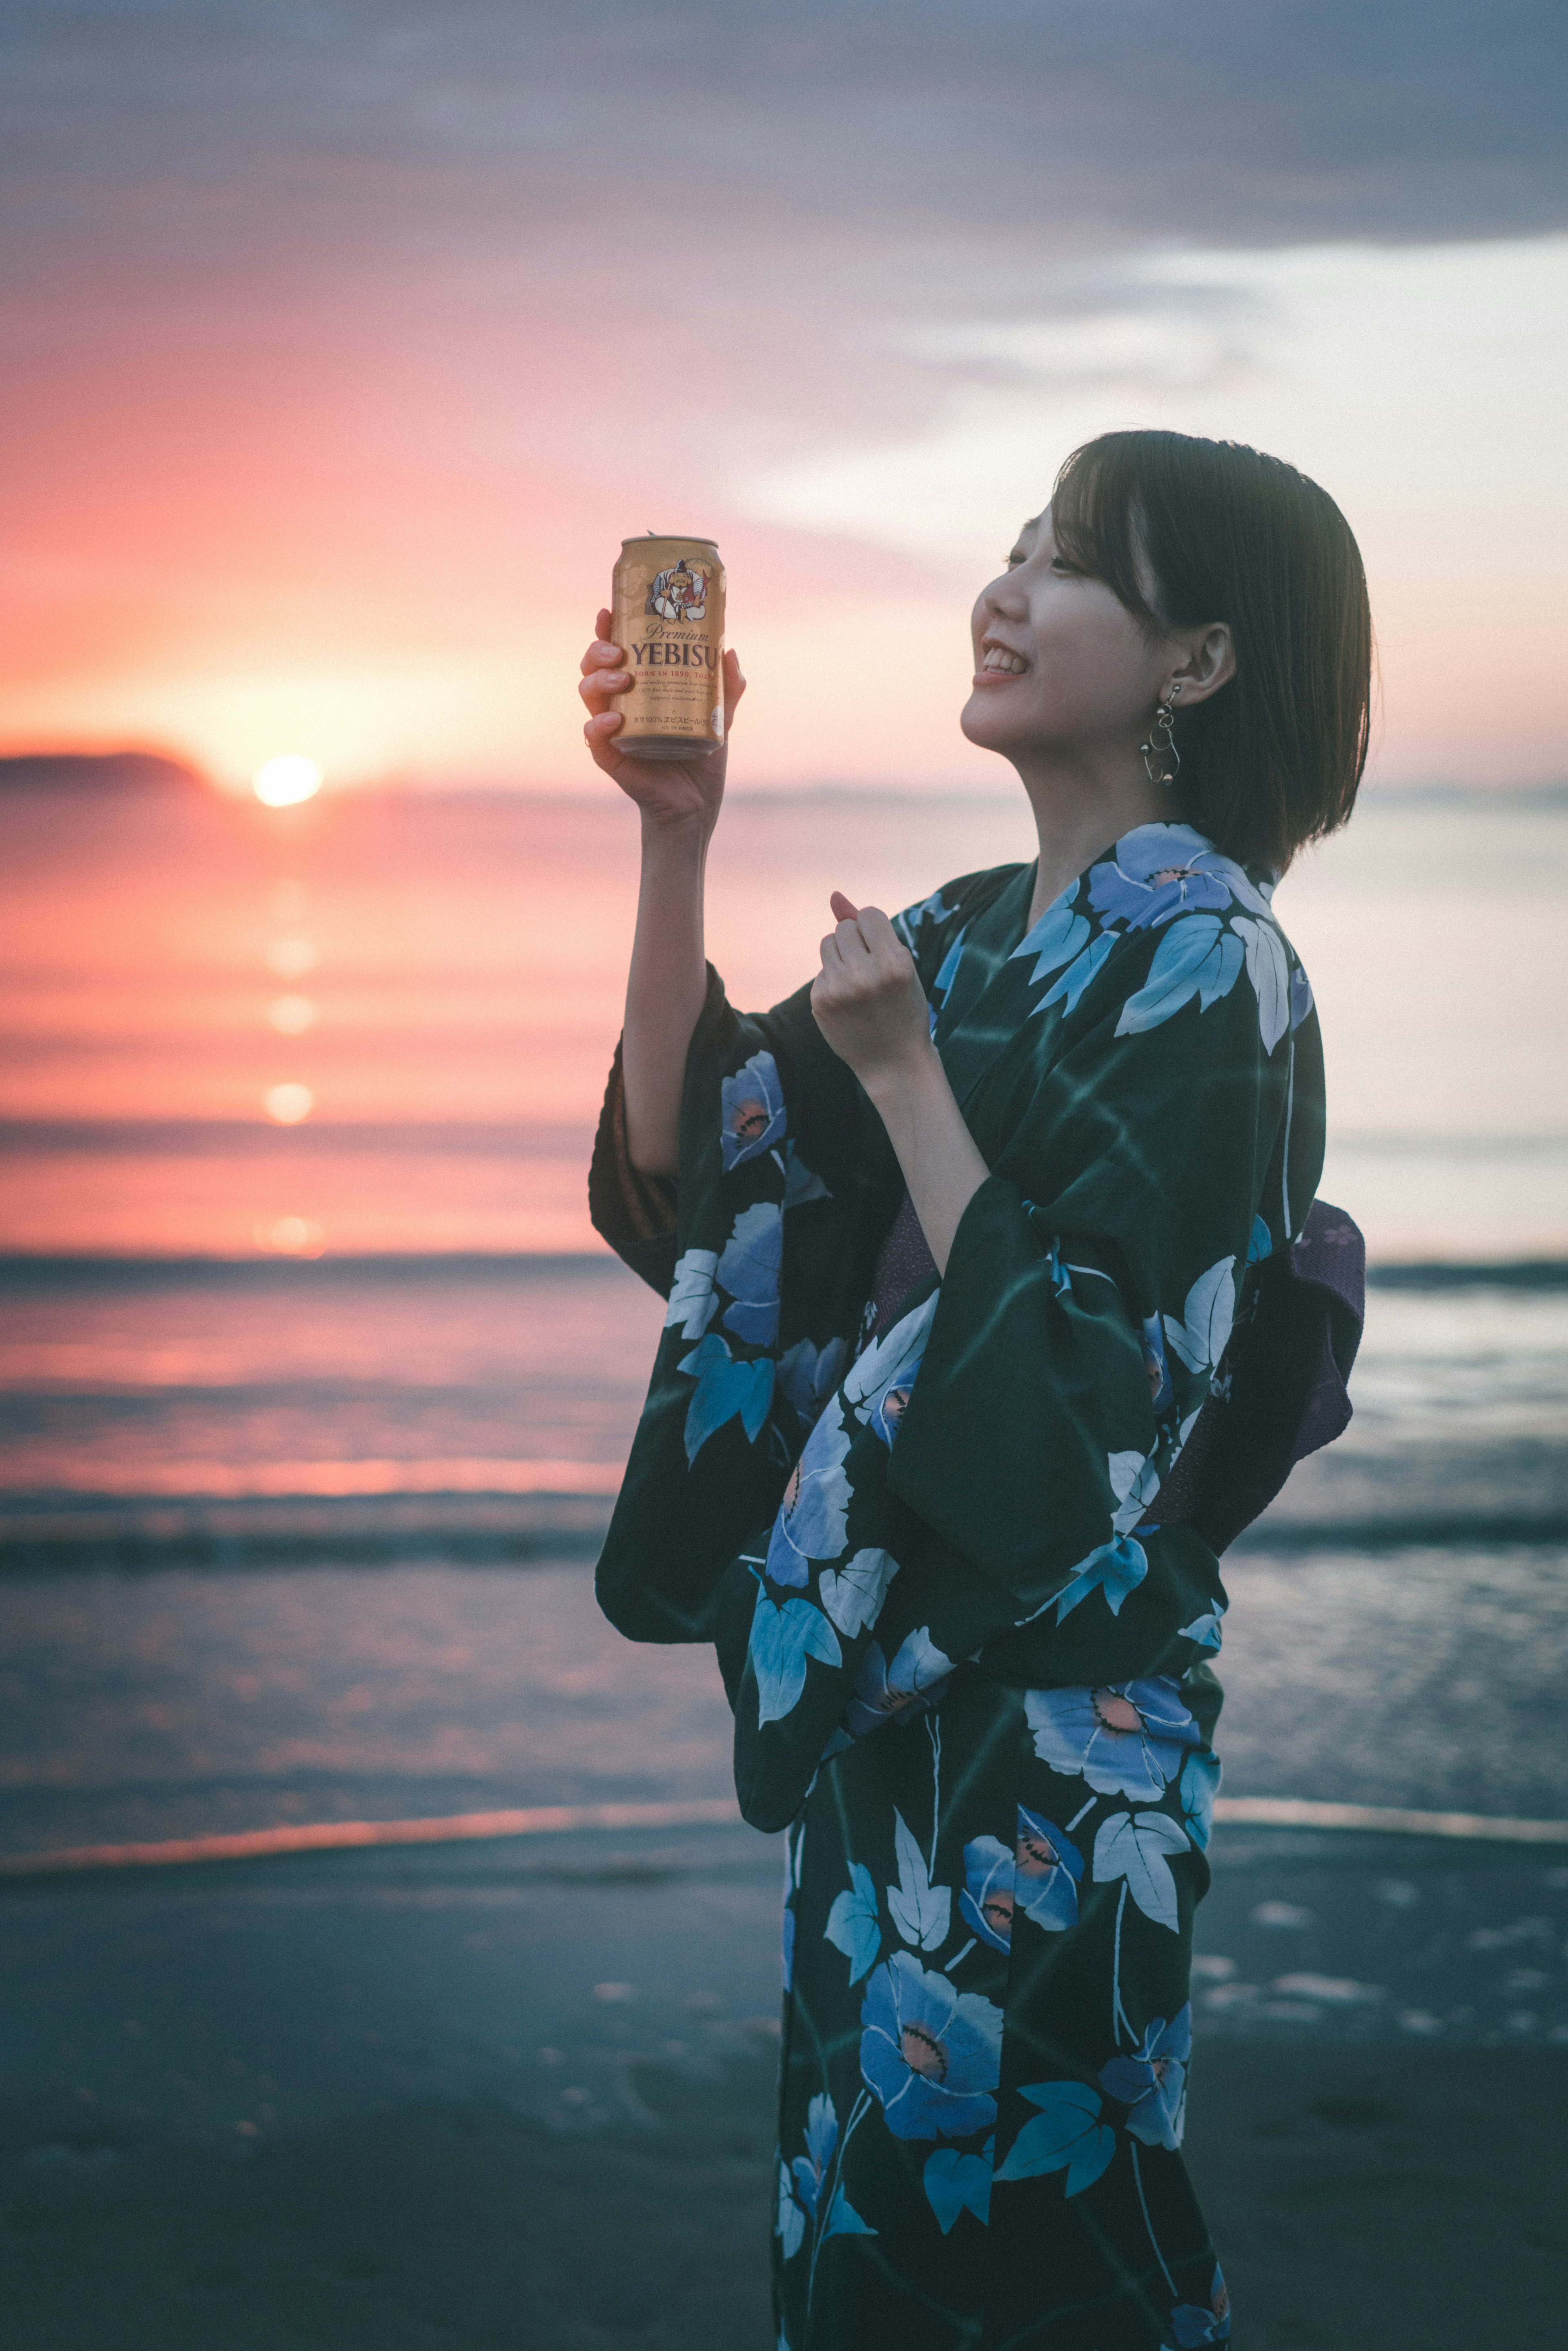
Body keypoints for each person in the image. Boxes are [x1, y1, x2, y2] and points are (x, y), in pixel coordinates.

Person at [581, 429, 1372, 2351]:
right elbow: (711, 1191)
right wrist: (675, 832)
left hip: (1061, 1741)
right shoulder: (954, 933)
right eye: (1012, 547)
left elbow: (1094, 1421)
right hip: (891, 1709)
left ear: (1197, 661)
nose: (1006, 590)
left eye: (1073, 565)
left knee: (1028, 2236)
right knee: (865, 2221)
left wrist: (919, 1089)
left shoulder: (1215, 967)